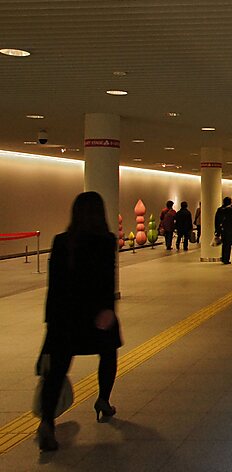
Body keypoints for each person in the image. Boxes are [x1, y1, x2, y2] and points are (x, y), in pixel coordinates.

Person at [37, 192, 122, 451]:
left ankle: (47, 422)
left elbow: (55, 285)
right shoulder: (106, 241)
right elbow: (107, 278)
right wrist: (108, 308)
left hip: (65, 315)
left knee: (58, 369)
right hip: (97, 314)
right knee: (108, 356)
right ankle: (103, 400)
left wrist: (50, 322)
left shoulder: (62, 241)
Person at [214, 197, 232, 265]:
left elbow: (216, 221)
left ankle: (223, 257)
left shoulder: (219, 210)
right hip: (229, 229)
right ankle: (226, 259)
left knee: (224, 244)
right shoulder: (231, 210)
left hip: (222, 229)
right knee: (228, 244)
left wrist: (217, 230)